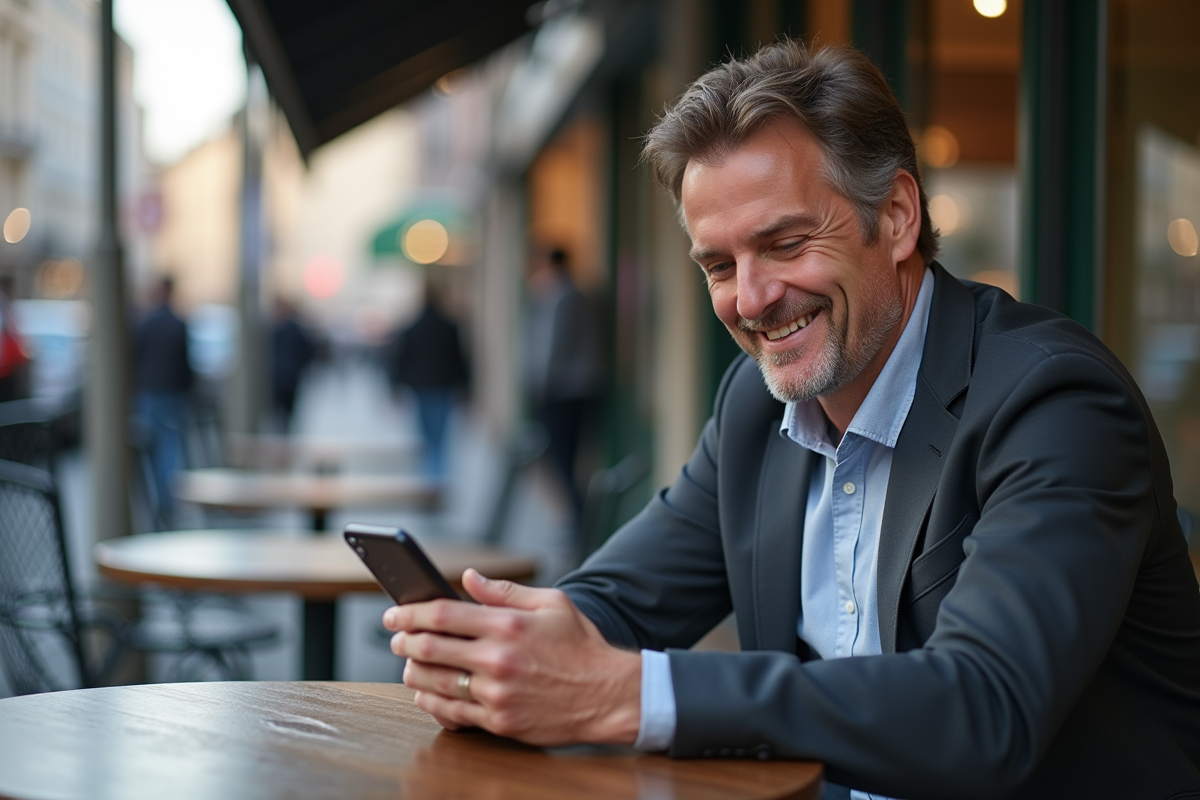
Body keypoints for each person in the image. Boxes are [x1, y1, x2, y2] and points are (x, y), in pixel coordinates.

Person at [383, 40, 1200, 799]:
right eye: (719, 264)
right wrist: (501, 652)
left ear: (897, 217)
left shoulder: (1053, 401)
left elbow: (986, 706)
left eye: (785, 243)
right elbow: (620, 600)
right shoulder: (755, 404)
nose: (752, 297)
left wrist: (632, 696)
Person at [522, 246, 602, 520]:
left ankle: (581, 523)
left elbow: (550, 348)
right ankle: (578, 521)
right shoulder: (566, 294)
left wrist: (537, 389)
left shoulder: (561, 296)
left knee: (563, 460)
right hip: (568, 390)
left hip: (563, 392)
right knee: (565, 460)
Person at [387, 281, 469, 480]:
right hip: (443, 387)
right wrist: (467, 388)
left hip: (421, 387)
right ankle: (437, 477)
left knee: (425, 435)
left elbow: (400, 359)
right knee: (440, 436)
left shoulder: (413, 327)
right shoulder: (448, 327)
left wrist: (395, 387)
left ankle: (429, 477)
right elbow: (460, 359)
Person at [133, 275, 193, 526]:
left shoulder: (146, 323)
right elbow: (185, 363)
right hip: (172, 394)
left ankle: (158, 499)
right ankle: (166, 501)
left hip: (150, 392)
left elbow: (135, 359)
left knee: (153, 448)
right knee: (169, 448)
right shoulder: (178, 324)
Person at [270, 297, 316, 432]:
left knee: (285, 409)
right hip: (284, 375)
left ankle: (284, 431)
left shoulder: (279, 329)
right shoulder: (284, 328)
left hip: (285, 375)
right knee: (284, 410)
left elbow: (306, 352)